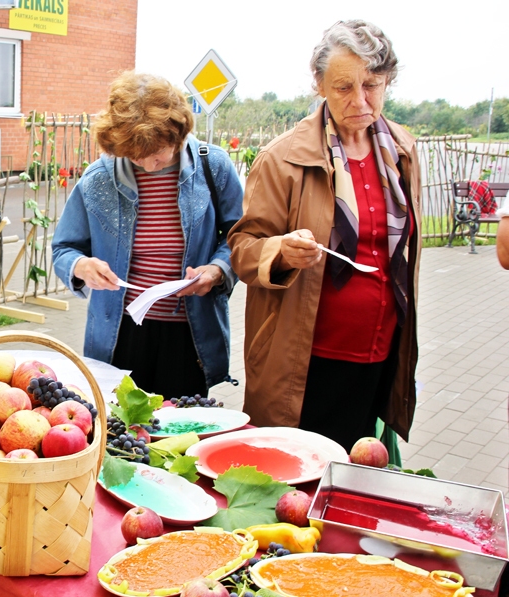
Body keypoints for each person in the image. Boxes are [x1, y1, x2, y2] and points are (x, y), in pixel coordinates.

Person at [227, 20, 421, 452]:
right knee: (301, 473)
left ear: (388, 82)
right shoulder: (283, 157)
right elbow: (243, 249)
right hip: (307, 361)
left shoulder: (402, 151)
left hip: (380, 353)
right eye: (343, 87)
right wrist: (280, 251)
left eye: (371, 85)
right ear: (319, 84)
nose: (360, 100)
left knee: (358, 471)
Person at [52, 71, 243, 400]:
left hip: (189, 334)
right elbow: (64, 249)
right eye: (133, 154)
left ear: (177, 133)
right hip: (121, 334)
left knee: (181, 427)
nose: (146, 164)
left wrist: (217, 270)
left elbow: (241, 237)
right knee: (122, 427)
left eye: (156, 153)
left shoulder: (214, 167)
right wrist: (81, 266)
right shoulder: (98, 179)